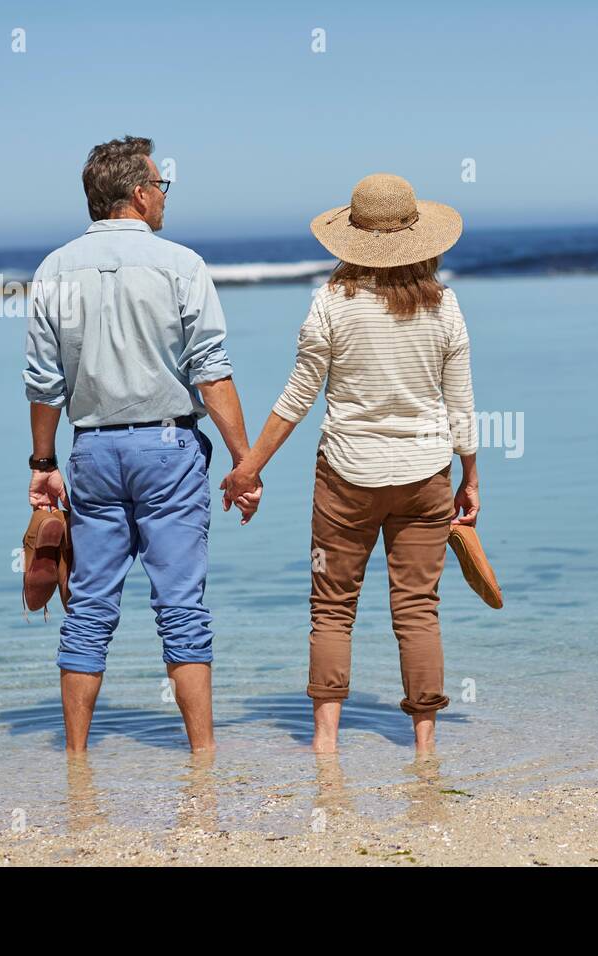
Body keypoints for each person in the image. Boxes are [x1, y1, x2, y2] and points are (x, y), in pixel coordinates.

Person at [222, 173, 479, 755]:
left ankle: (326, 742)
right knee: (417, 607)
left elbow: (297, 397)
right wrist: (470, 477)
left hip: (346, 477)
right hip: (426, 475)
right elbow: (461, 404)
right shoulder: (446, 306)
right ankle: (425, 743)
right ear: (419, 236)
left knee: (332, 606)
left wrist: (249, 469)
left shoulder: (331, 304)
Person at [23, 135, 260, 754]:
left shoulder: (53, 269)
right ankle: (203, 757)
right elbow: (211, 370)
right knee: (181, 606)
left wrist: (43, 463)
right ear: (138, 193)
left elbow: (44, 382)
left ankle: (75, 758)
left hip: (92, 450)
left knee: (89, 608)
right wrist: (244, 462)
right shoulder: (181, 264)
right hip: (168, 448)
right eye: (162, 186)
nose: (164, 197)